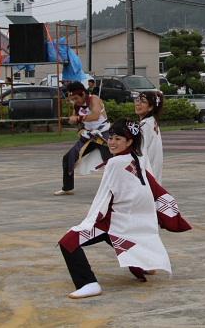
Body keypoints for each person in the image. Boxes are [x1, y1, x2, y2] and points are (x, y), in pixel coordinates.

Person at [58, 120, 174, 298]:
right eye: (110, 137)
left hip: (114, 220)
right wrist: (168, 213)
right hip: (127, 220)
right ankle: (141, 266)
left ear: (129, 142)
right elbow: (151, 188)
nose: (111, 142)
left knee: (68, 243)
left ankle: (88, 283)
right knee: (118, 239)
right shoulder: (140, 158)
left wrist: (94, 219)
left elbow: (105, 196)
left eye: (118, 138)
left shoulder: (116, 163)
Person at [54, 81, 112, 196]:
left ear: (83, 94)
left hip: (103, 134)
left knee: (111, 161)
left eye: (76, 98)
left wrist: (78, 119)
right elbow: (76, 120)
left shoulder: (93, 99)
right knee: (68, 158)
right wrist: (74, 122)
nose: (75, 101)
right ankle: (67, 188)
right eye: (72, 99)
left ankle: (115, 188)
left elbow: (95, 115)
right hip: (89, 136)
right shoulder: (77, 105)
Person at [136, 90, 165, 183]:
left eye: (143, 101)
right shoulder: (152, 121)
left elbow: (139, 151)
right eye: (138, 100)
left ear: (151, 107)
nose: (138, 104)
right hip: (152, 173)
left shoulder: (145, 125)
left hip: (147, 175)